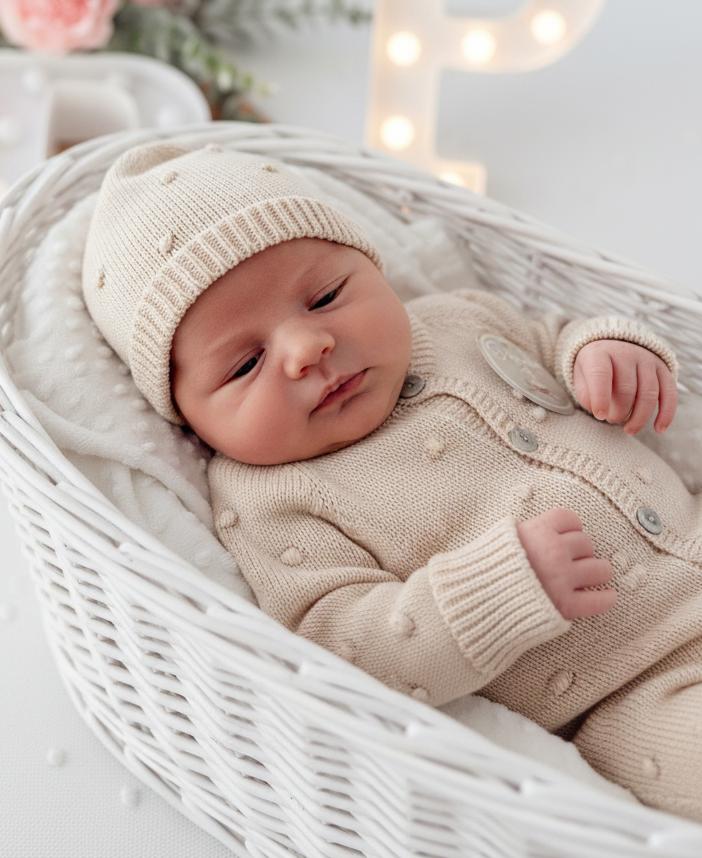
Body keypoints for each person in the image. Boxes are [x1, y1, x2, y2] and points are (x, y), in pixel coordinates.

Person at [83, 140, 702, 820]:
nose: (304, 348)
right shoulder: (270, 503)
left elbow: (553, 336)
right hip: (634, 687)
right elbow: (342, 647)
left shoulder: (459, 316)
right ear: (191, 425)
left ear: (371, 267)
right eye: (242, 366)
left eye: (324, 296)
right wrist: (494, 592)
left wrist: (605, 351)